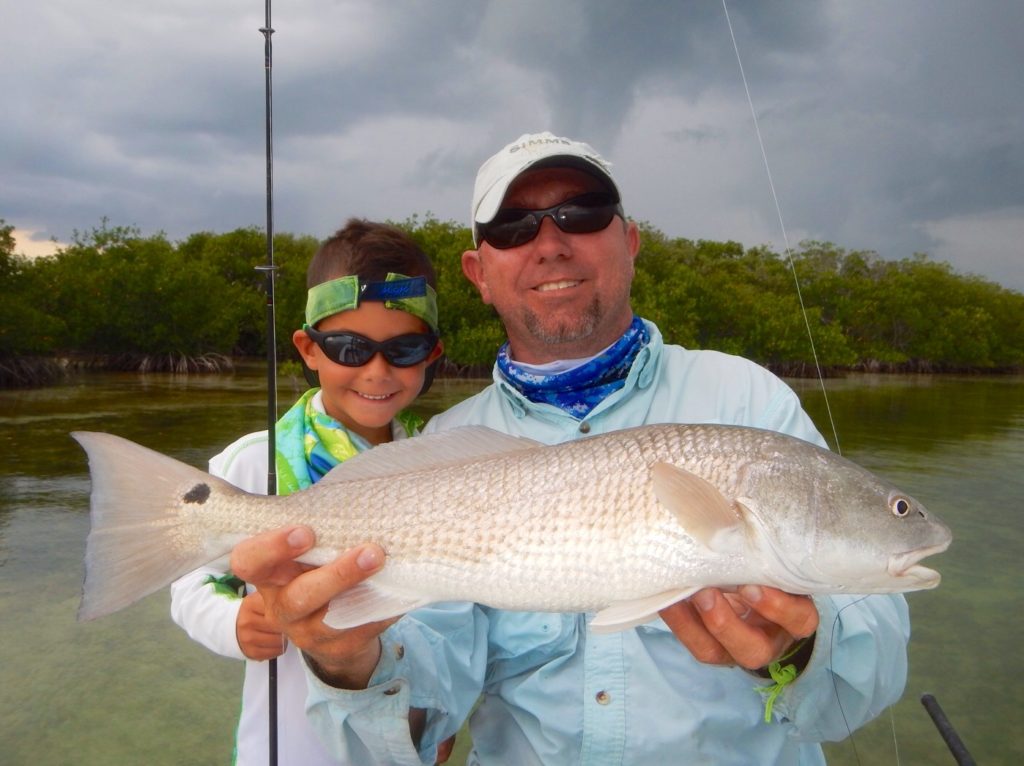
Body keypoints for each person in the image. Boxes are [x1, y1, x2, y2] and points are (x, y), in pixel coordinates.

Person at [229, 133, 911, 765]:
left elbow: (866, 680)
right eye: (512, 227)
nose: (550, 242)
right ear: (477, 270)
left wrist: (796, 649)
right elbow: (417, 723)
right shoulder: (447, 447)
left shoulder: (748, 402)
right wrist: (348, 661)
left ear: (631, 240)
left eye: (582, 213)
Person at [169, 218, 445, 765]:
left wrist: (440, 719)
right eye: (348, 348)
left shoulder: (437, 460)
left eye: (405, 348)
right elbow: (187, 583)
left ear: (433, 354)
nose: (377, 370)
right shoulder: (253, 463)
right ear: (308, 348)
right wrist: (232, 624)